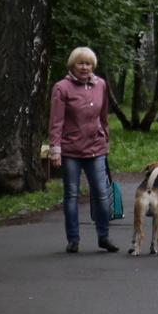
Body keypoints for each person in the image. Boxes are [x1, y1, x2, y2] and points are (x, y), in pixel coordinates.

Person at [49, 46, 118, 254]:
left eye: (88, 63)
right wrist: (55, 149)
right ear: (72, 65)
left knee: (102, 193)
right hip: (71, 150)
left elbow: (104, 115)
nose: (85, 67)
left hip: (96, 148)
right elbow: (56, 121)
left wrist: (105, 137)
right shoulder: (62, 88)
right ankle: (73, 239)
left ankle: (104, 237)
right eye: (80, 63)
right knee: (71, 194)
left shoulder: (101, 85)